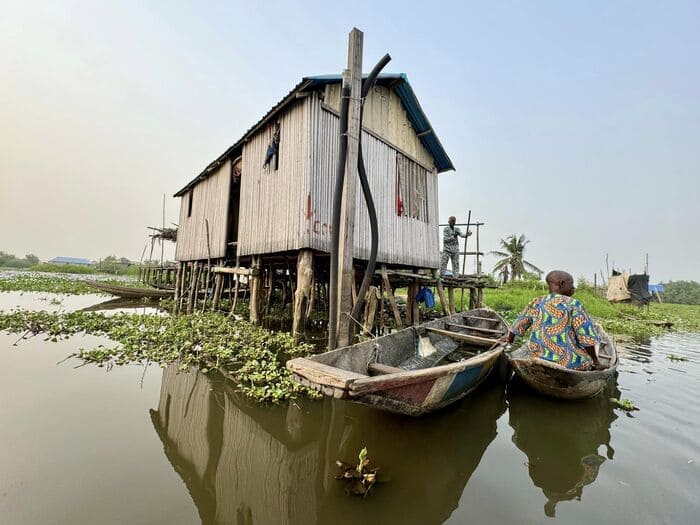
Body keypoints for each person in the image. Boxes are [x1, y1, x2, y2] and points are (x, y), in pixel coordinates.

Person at [499, 271, 606, 370]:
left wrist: (509, 339)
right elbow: (586, 337)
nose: (574, 287)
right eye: (571, 283)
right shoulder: (574, 304)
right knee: (586, 359)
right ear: (561, 284)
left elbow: (519, 324)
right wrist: (596, 362)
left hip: (538, 357)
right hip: (569, 364)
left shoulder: (537, 301)